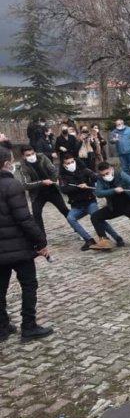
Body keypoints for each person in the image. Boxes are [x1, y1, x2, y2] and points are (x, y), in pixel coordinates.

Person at [0, 146, 54, 342]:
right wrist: (41, 241)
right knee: (29, 285)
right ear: (7, 163)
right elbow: (24, 219)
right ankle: (29, 326)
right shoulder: (12, 185)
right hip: (19, 248)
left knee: (1, 288)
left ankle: (2, 327)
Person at [59, 154, 123, 251]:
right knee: (70, 218)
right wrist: (78, 186)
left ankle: (117, 237)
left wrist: (89, 184)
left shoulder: (84, 170)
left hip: (90, 202)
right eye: (68, 163)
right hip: (76, 205)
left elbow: (96, 177)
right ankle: (89, 240)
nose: (71, 164)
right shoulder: (62, 176)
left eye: (72, 162)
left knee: (97, 217)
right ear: (64, 165)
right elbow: (64, 189)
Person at [17, 145, 71, 235]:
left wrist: (55, 179)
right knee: (36, 215)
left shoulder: (42, 157)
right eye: (28, 155)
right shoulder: (23, 166)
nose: (31, 156)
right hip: (37, 194)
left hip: (52, 190)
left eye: (32, 153)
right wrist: (42, 182)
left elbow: (53, 170)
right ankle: (41, 238)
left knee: (64, 209)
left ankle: (77, 228)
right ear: (23, 156)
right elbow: (26, 185)